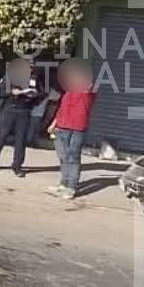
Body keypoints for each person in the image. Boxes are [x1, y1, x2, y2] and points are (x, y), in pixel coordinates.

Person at [45, 60, 96, 200]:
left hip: (77, 128)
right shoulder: (68, 91)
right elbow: (61, 109)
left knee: (73, 157)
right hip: (61, 127)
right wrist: (53, 124)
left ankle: (71, 187)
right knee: (63, 157)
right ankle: (63, 183)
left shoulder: (88, 89)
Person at [0, 58, 41, 177]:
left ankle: (17, 166)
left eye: (32, 68)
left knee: (21, 139)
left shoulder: (34, 79)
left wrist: (34, 96)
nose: (30, 70)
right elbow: (0, 92)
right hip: (10, 109)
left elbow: (40, 94)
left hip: (24, 111)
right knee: (1, 136)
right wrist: (12, 92)